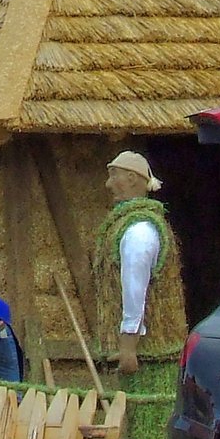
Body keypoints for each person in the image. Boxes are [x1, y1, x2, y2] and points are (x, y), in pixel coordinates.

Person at [91, 150, 182, 375]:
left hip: (150, 358)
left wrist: (128, 346)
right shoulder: (129, 226)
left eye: (114, 175)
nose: (108, 184)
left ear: (132, 178)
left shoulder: (139, 230)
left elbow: (135, 286)